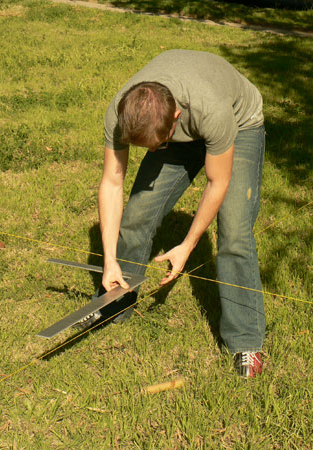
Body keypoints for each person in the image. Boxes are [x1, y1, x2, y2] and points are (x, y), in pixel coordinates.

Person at [97, 50, 266, 378]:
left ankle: (245, 341)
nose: (150, 154)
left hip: (239, 124)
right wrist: (109, 258)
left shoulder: (211, 108)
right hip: (176, 126)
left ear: (175, 117)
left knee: (234, 229)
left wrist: (188, 244)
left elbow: (218, 182)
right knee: (138, 214)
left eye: (156, 145)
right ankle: (117, 297)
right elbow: (111, 183)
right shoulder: (121, 113)